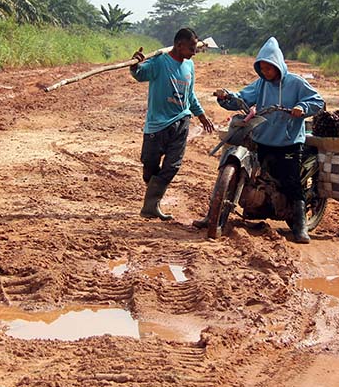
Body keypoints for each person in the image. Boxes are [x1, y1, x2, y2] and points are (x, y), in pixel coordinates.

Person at [201, 36, 324, 243]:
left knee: (291, 182)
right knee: (251, 172)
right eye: (263, 69)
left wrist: (301, 108)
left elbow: (316, 100)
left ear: (278, 65)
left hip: (288, 142)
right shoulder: (260, 84)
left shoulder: (295, 83)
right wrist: (226, 96)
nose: (266, 72)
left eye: (269, 68)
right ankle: (213, 214)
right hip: (263, 139)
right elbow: (242, 97)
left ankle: (301, 225)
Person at [131, 28, 215, 220]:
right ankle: (153, 197)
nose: (195, 52)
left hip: (181, 121)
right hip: (157, 124)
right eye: (191, 48)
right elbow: (140, 74)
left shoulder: (190, 66)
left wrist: (201, 115)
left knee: (172, 165)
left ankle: (151, 206)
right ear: (179, 45)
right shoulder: (160, 61)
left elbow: (190, 94)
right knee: (149, 166)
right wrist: (135, 65)